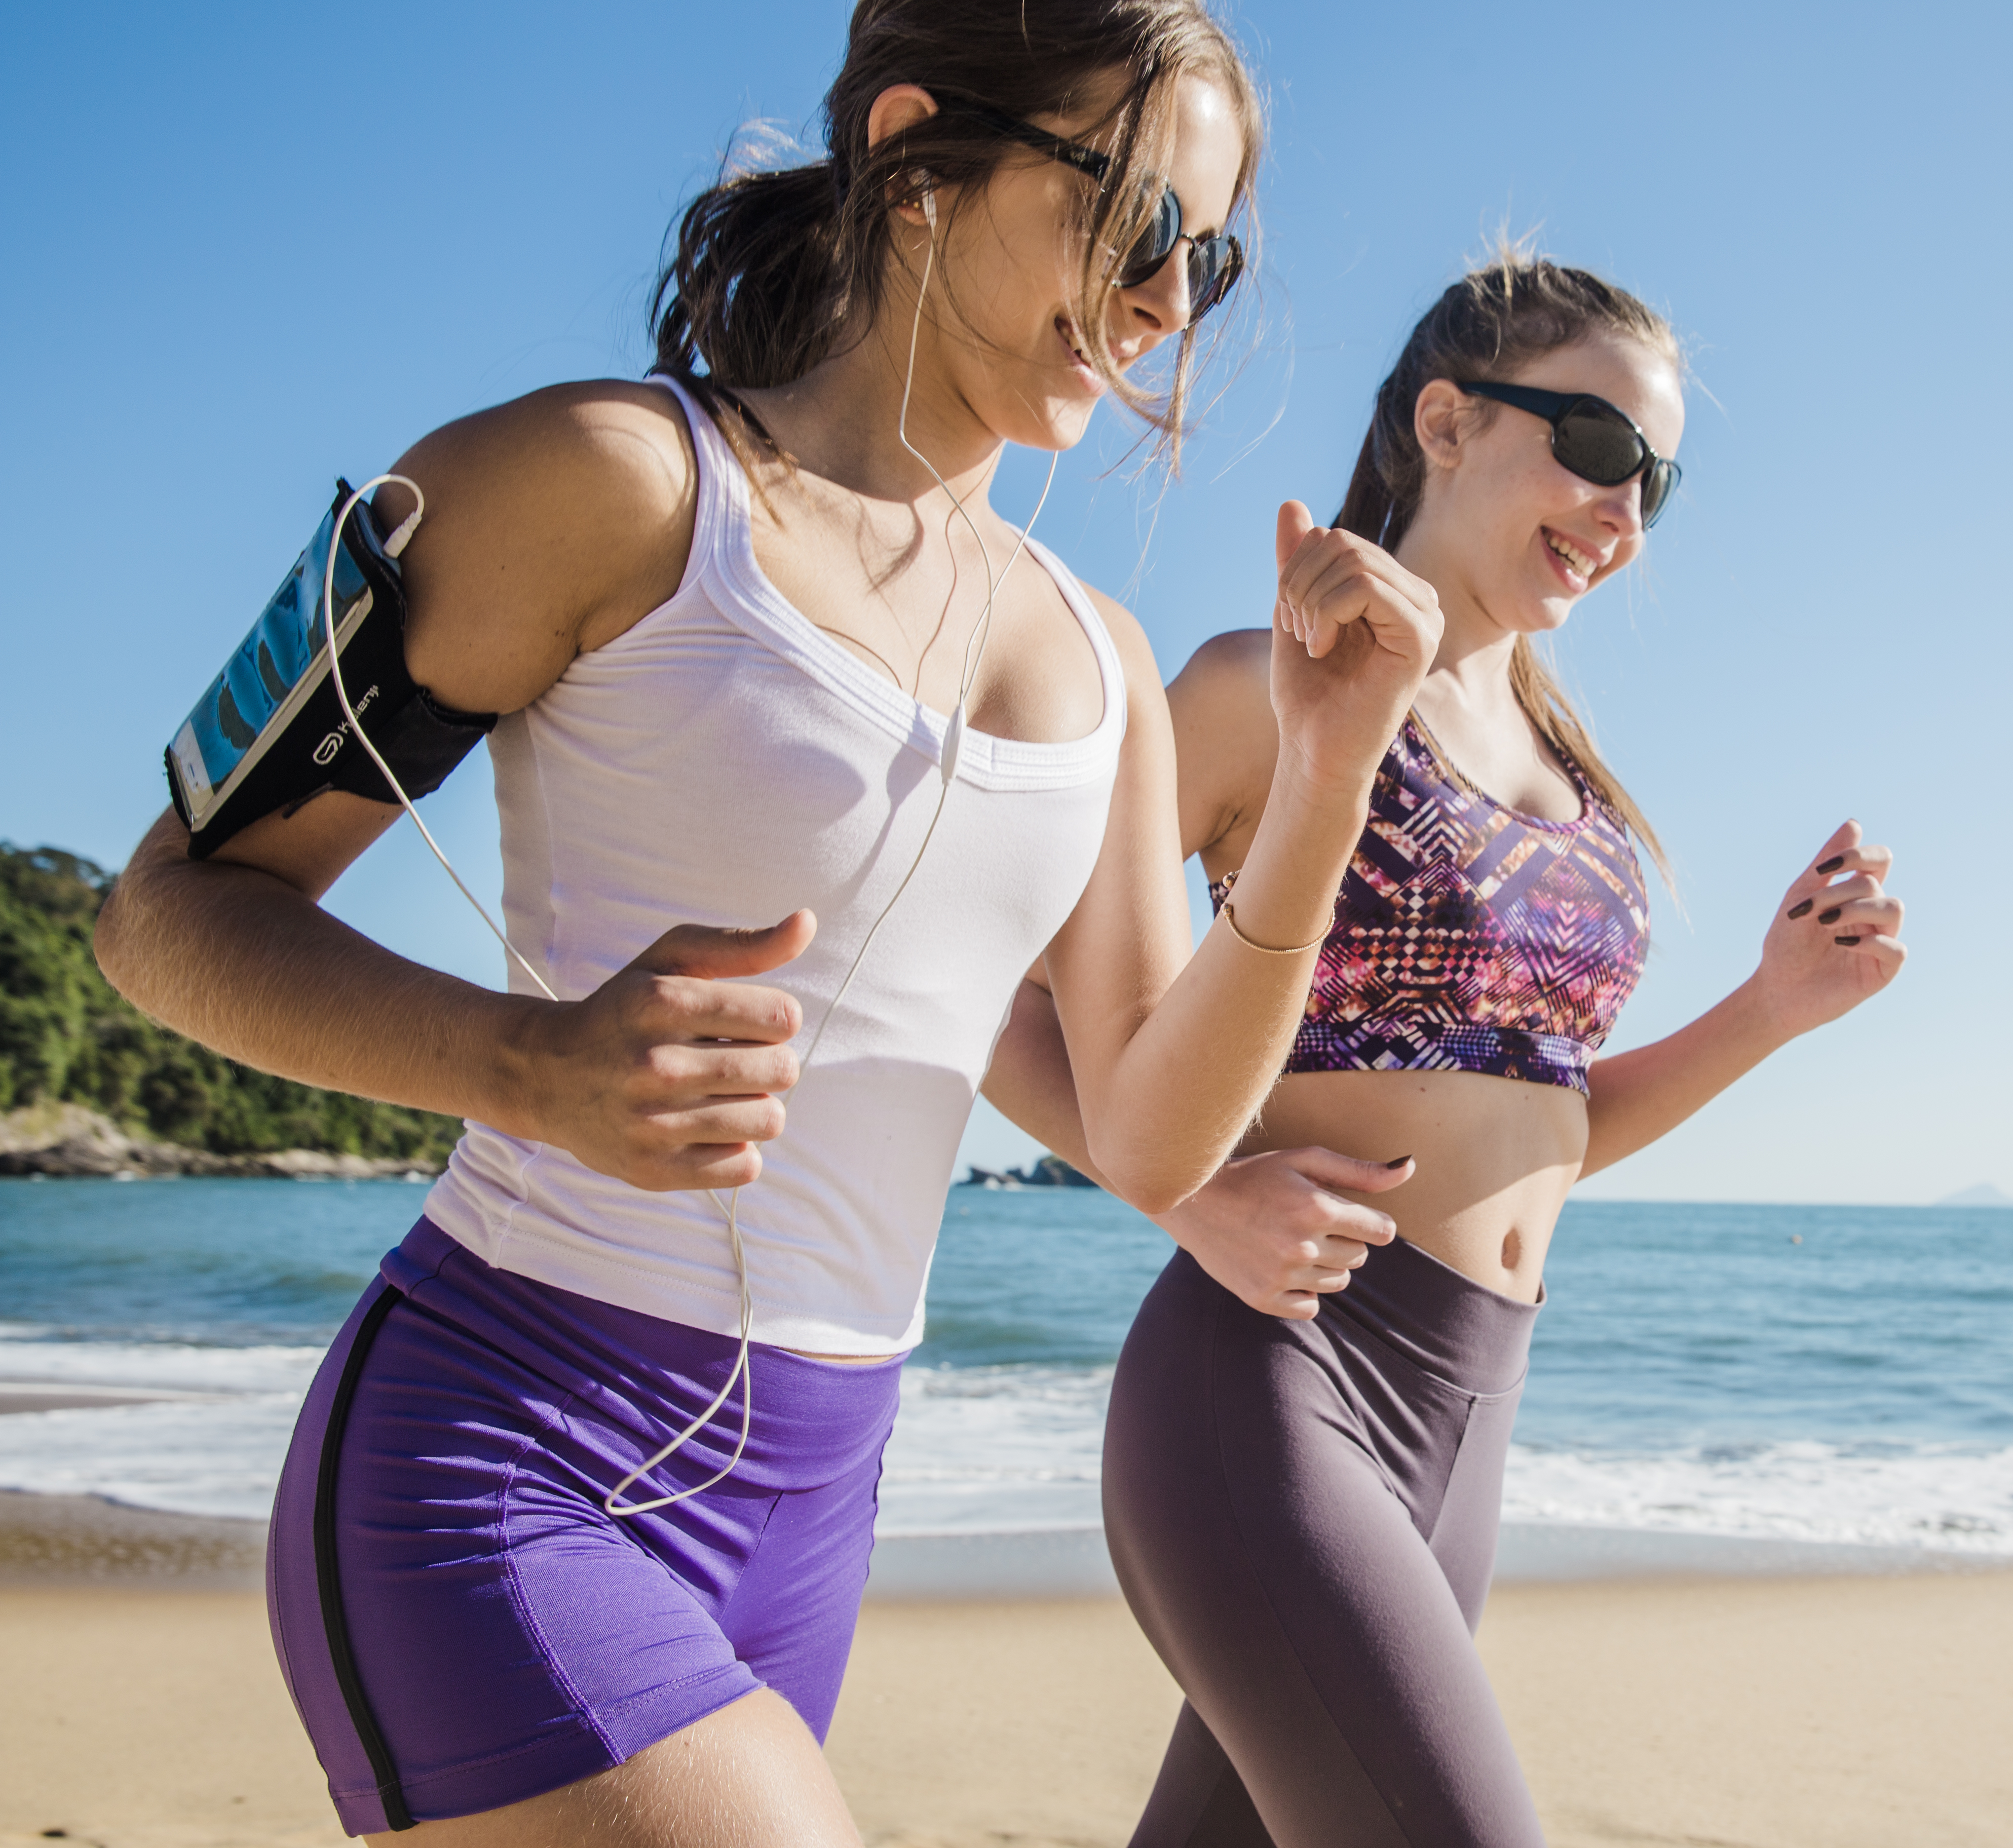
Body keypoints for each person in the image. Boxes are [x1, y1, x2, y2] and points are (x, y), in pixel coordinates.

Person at [91, 4, 1444, 1841]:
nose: (1167, 306)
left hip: (820, 1505)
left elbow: (1151, 1129)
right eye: (1137, 228)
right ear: (914, 154)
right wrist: (529, 1066)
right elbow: (163, 916)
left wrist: (1328, 772)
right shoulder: (614, 486)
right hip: (506, 1452)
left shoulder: (1104, 666)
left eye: (1210, 259)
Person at [980, 247, 1910, 1845]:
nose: (1625, 509)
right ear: (1446, 421)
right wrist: (1180, 1193)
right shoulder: (1273, 690)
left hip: (1466, 1412)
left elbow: (1542, 1126)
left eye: (1657, 482)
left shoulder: (1571, 770)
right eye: (1597, 447)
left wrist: (1771, 1006)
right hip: (1274, 1388)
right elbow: (988, 979)